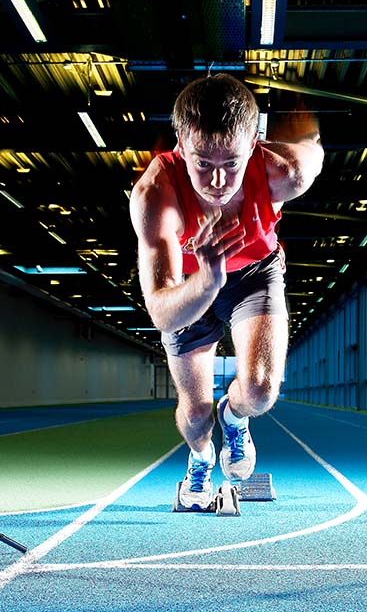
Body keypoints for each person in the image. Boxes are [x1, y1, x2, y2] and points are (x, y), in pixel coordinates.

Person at [129, 73, 324, 510]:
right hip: (188, 289)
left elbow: (313, 150)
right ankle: (199, 458)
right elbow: (163, 313)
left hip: (255, 274)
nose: (217, 181)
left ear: (255, 143)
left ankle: (234, 420)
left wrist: (306, 123)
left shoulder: (286, 173)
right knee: (196, 414)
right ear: (181, 140)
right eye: (202, 163)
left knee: (260, 391)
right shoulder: (155, 193)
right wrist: (207, 280)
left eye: (232, 164)